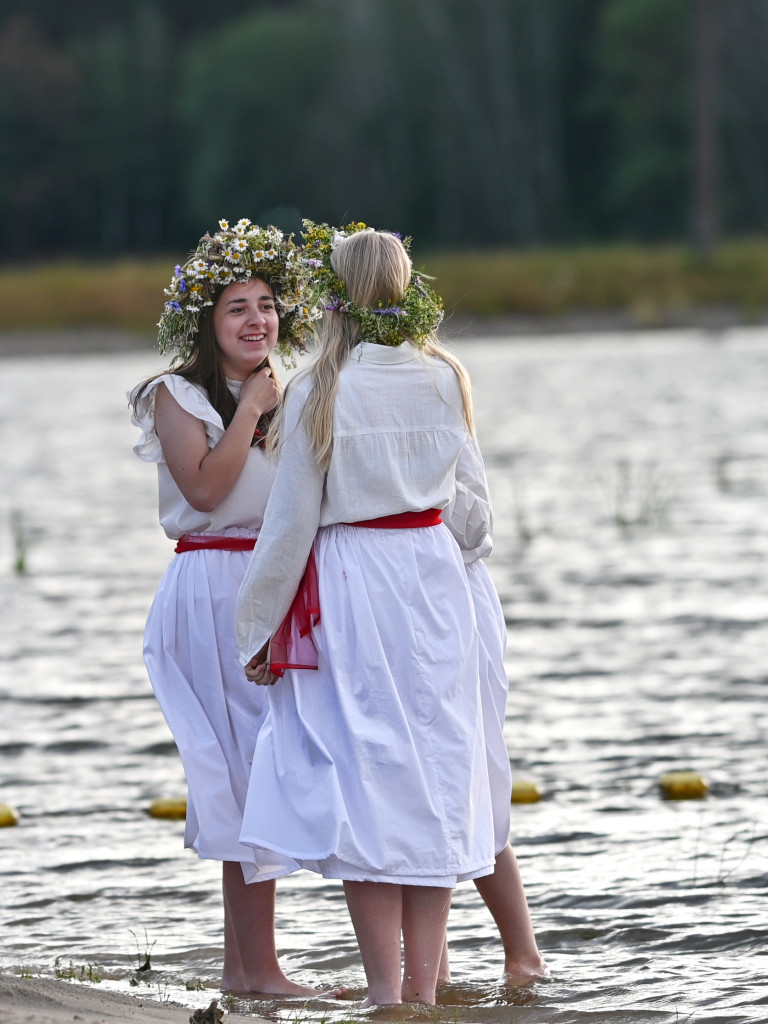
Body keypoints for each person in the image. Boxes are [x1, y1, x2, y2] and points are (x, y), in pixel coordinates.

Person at [234, 222, 497, 1007]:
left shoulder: (319, 388)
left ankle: (387, 994)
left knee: (365, 780)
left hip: (353, 582)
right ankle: (422, 992)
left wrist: (257, 626)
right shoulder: (446, 376)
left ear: (335, 297)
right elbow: (475, 516)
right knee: (435, 774)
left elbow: (289, 526)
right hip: (432, 578)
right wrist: (441, 547)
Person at [128, 218, 322, 995]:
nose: (256, 320)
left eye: (266, 304)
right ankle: (261, 971)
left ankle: (244, 970)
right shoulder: (175, 395)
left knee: (259, 767)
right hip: (210, 585)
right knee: (240, 769)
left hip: (268, 585)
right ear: (207, 322)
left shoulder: (290, 398)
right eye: (238, 307)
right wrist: (247, 411)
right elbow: (206, 490)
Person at [438, 444, 549, 985]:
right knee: (413, 785)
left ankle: (523, 956)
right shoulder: (336, 403)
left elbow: (475, 525)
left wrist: (412, 483)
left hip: (453, 591)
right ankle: (431, 973)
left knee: (472, 773)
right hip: (387, 589)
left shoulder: (442, 403)